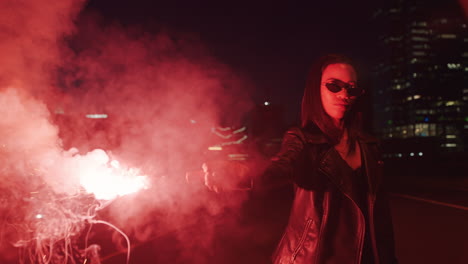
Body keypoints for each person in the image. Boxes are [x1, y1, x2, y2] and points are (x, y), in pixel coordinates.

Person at [203, 53, 398, 264]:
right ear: (317, 90)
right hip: (314, 258)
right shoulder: (303, 139)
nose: (344, 94)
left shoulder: (369, 146)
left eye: (351, 88)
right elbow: (280, 166)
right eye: (334, 86)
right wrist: (241, 172)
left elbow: (382, 221)